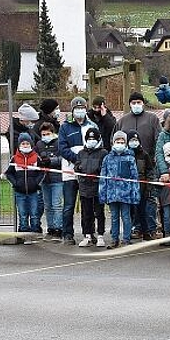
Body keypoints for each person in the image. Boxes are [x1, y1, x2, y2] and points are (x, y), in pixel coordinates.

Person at [57, 96, 99, 244]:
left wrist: (87, 164)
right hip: (69, 172)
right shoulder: (65, 127)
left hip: (87, 173)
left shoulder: (92, 125)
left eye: (82, 108)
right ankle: (67, 233)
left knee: (88, 205)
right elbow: (62, 148)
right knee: (68, 205)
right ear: (72, 110)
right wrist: (78, 159)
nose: (80, 111)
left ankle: (89, 233)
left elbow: (98, 146)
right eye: (77, 108)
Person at [99, 130, 140, 247]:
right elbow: (103, 177)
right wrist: (103, 194)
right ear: (113, 142)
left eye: (122, 142)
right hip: (112, 194)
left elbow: (134, 177)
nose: (120, 143)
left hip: (126, 194)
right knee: (114, 217)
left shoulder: (130, 158)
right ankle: (114, 239)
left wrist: (135, 194)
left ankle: (126, 239)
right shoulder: (107, 158)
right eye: (118, 141)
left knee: (126, 216)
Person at [5, 133, 45, 233]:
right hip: (19, 192)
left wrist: (36, 183)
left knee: (34, 213)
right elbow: (9, 173)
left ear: (31, 144)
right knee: (22, 213)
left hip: (33, 192)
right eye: (23, 144)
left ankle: (35, 230)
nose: (25, 145)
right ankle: (23, 231)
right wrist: (15, 183)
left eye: (27, 143)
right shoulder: (14, 158)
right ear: (19, 145)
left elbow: (42, 172)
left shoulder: (37, 158)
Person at [76, 128, 108, 247]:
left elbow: (104, 168)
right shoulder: (81, 153)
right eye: (89, 139)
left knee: (99, 212)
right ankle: (87, 235)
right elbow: (77, 165)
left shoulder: (103, 153)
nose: (91, 141)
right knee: (86, 213)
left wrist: (97, 172)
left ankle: (100, 235)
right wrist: (79, 168)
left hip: (97, 187)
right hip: (84, 187)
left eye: (94, 139)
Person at [34, 122, 63, 240]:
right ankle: (50, 227)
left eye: (48, 133)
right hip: (44, 179)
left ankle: (58, 228)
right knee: (48, 205)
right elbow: (35, 157)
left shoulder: (59, 143)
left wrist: (51, 161)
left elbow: (63, 158)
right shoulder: (39, 144)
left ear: (53, 133)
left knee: (56, 205)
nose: (45, 136)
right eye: (43, 134)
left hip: (57, 178)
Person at [128, 130, 158, 241]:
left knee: (143, 210)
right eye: (131, 140)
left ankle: (146, 232)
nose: (134, 142)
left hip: (142, 188)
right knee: (131, 211)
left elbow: (150, 170)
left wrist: (149, 185)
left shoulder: (144, 155)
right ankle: (134, 229)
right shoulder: (126, 154)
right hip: (129, 188)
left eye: (136, 140)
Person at [117, 92, 162, 159]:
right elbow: (114, 139)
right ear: (130, 104)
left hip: (148, 161)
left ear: (143, 103)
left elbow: (159, 139)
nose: (136, 105)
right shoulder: (122, 121)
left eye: (139, 102)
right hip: (126, 161)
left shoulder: (152, 119)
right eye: (133, 103)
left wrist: (156, 156)